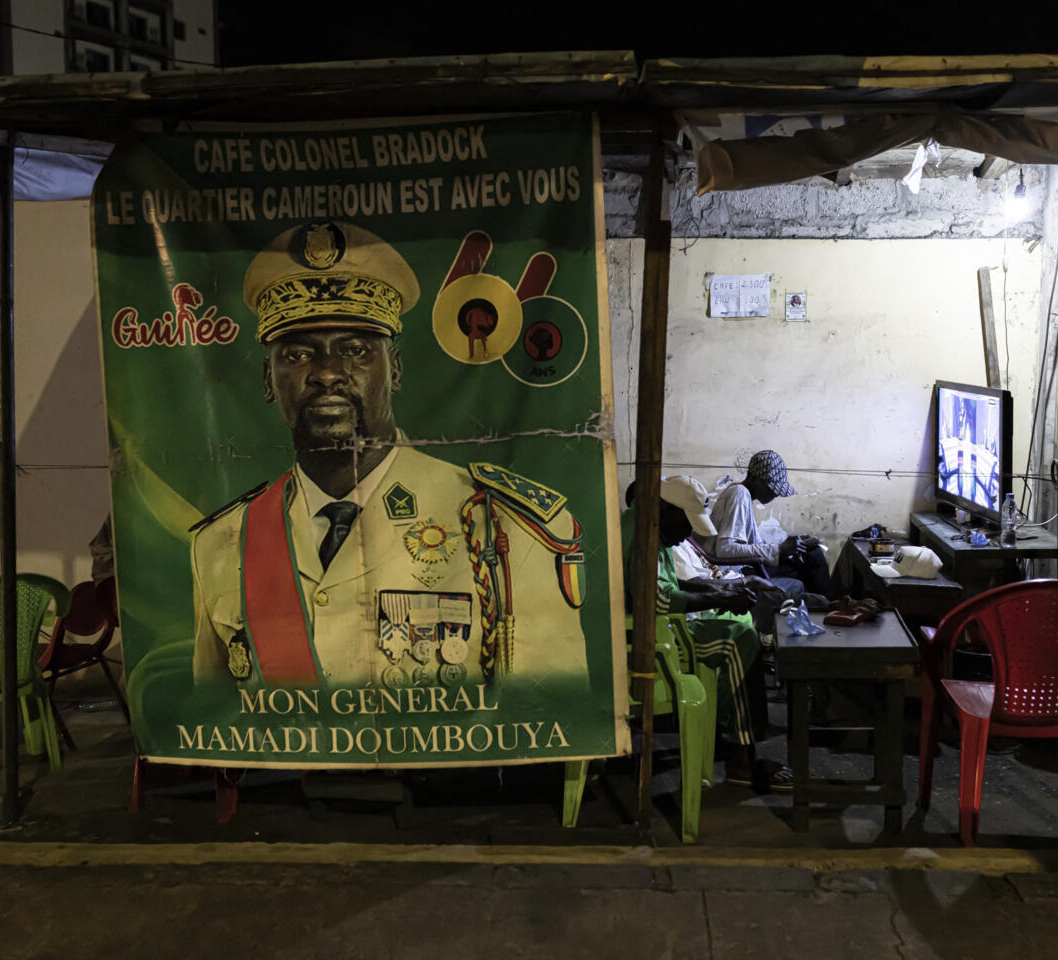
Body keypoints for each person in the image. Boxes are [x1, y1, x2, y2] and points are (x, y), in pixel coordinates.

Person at [191, 220, 587, 690]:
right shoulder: (221, 542)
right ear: (266, 381)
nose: (327, 373)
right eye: (297, 355)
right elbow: (216, 728)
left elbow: (545, 719)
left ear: (394, 370)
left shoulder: (501, 526)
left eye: (356, 350)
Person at [622, 476, 791, 791]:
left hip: (650, 629)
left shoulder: (641, 525)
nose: (688, 533)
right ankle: (741, 758)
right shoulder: (644, 538)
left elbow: (667, 585)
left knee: (737, 631)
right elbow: (659, 599)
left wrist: (727, 589)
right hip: (650, 642)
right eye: (685, 523)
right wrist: (722, 596)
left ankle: (732, 735)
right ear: (663, 508)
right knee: (739, 641)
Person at [699, 449, 834, 602]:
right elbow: (725, 550)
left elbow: (745, 545)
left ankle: (825, 603)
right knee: (812, 559)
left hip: (749, 564)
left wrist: (788, 544)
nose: (775, 494)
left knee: (810, 553)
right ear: (756, 479)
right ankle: (828, 605)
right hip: (740, 570)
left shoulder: (740, 493)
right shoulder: (739, 494)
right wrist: (779, 549)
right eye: (772, 487)